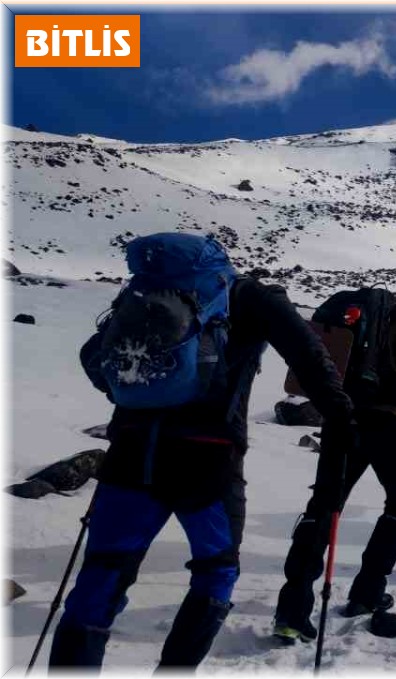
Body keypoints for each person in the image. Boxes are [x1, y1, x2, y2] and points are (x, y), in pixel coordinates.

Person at [53, 233, 355, 669]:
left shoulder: (141, 292)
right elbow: (310, 357)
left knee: (103, 571)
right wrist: (343, 421)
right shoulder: (251, 295)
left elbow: (95, 362)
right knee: (216, 571)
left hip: (132, 453)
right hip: (208, 460)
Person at [273, 270, 396, 642]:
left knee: (324, 506)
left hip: (342, 418)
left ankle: (291, 611)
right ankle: (366, 593)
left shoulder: (368, 310)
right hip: (389, 424)